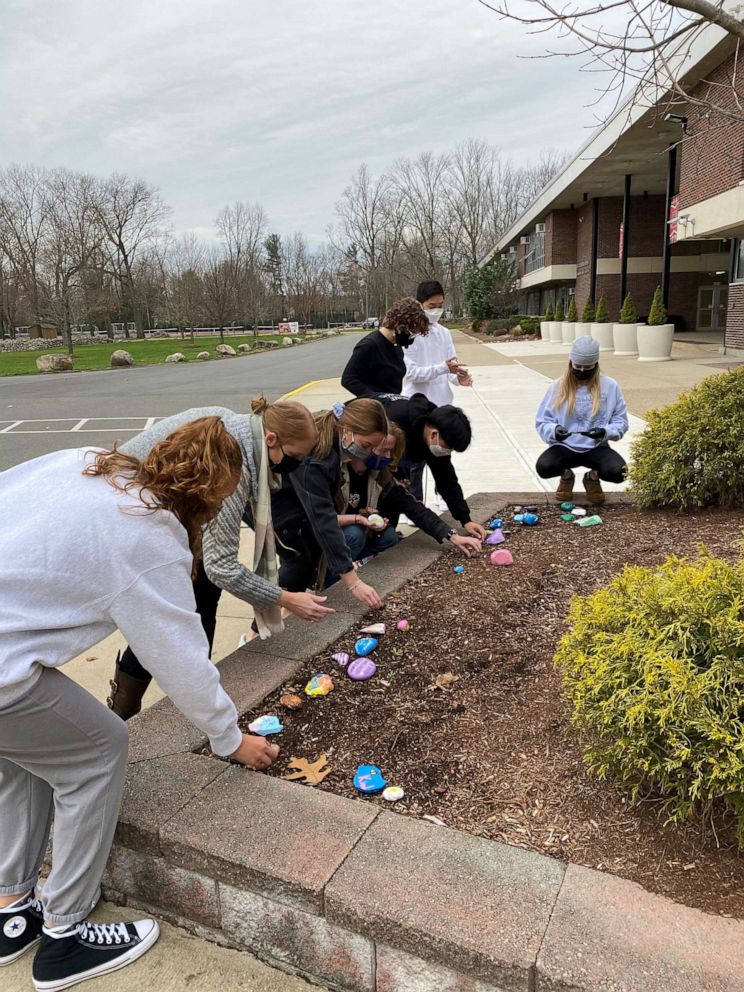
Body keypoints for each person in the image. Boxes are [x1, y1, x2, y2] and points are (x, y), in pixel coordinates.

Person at [0, 417, 278, 991]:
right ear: (210, 496)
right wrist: (230, 737)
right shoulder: (147, 538)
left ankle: (10, 910)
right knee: (99, 750)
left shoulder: (87, 461)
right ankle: (65, 938)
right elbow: (182, 662)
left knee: (20, 757)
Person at [106, 397, 331, 720]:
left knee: (201, 597)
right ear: (271, 440)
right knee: (162, 617)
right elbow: (222, 566)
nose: (294, 465)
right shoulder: (230, 461)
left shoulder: (238, 428)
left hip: (156, 512)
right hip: (127, 517)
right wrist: (286, 599)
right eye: (294, 456)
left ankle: (196, 697)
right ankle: (128, 713)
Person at [271, 398, 481, 595]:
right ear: (349, 433)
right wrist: (353, 582)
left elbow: (410, 503)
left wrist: (451, 532)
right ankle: (288, 604)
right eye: (374, 448)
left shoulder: (374, 469)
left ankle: (312, 587)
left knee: (383, 536)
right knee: (299, 558)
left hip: (311, 514)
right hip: (283, 507)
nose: (387, 457)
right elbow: (323, 517)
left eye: (389, 451)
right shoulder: (324, 461)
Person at [402, 280, 473, 505]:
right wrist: (442, 368)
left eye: (440, 305)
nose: (437, 311)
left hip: (441, 403)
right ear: (419, 304)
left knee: (443, 451)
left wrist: (458, 377)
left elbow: (450, 366)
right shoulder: (408, 335)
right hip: (415, 403)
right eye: (432, 305)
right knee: (415, 458)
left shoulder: (444, 333)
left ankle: (442, 493)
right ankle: (415, 500)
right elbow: (411, 372)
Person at [380, 393, 488, 541]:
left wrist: (465, 519)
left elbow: (446, 478)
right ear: (434, 434)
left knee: (396, 500)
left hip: (399, 459)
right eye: (448, 447)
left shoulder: (438, 432)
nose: (447, 452)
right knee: (387, 495)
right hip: (368, 451)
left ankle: (386, 537)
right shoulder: (396, 423)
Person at [535, 335, 629, 503]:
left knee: (619, 472)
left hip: (596, 447)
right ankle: (566, 476)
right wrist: (554, 431)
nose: (582, 371)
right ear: (570, 363)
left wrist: (604, 432)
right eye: (578, 366)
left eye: (588, 367)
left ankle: (592, 478)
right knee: (544, 467)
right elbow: (542, 421)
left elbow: (621, 421)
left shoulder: (610, 386)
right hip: (564, 446)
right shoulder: (557, 386)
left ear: (596, 365)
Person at [341, 297, 429, 398]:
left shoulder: (396, 345)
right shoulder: (368, 346)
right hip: (375, 408)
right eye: (411, 332)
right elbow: (348, 379)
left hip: (392, 407)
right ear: (400, 325)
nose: (411, 337)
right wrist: (377, 398)